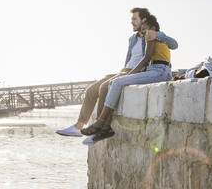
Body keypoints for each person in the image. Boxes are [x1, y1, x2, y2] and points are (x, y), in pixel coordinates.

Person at [56, 8, 178, 137]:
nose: (131, 22)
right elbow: (130, 58)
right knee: (91, 89)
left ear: (144, 20)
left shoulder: (150, 35)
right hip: (125, 70)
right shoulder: (132, 39)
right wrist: (122, 70)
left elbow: (172, 45)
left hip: (136, 71)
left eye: (134, 19)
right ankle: (78, 126)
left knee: (104, 88)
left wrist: (157, 35)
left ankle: (101, 127)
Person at [81, 15, 173, 144]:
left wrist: (130, 74)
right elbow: (146, 59)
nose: (143, 30)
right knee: (114, 83)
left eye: (145, 27)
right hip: (154, 70)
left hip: (160, 71)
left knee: (117, 82)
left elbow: (147, 57)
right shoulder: (148, 37)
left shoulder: (155, 35)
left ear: (152, 27)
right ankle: (105, 126)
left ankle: (101, 122)